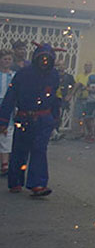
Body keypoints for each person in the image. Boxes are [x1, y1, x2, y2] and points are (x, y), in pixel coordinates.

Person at [0, 43, 61, 196]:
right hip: (23, 117)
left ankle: (38, 184)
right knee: (20, 150)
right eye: (42, 58)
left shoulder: (54, 75)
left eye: (47, 59)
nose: (44, 62)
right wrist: (3, 121)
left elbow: (54, 97)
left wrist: (55, 118)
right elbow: (10, 97)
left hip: (43, 119)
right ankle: (15, 181)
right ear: (36, 57)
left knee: (39, 150)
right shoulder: (23, 73)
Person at [52, 58, 75, 140]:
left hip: (62, 99)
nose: (61, 67)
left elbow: (73, 86)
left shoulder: (68, 77)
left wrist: (70, 95)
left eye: (63, 65)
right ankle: (53, 133)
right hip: (53, 98)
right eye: (59, 65)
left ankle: (56, 132)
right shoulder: (54, 74)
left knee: (59, 115)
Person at [0, 50, 14, 176]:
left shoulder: (14, 75)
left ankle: (5, 163)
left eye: (9, 59)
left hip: (8, 107)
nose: (7, 61)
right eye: (5, 59)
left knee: (6, 133)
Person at [72, 62, 92, 139]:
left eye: (89, 66)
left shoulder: (92, 76)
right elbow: (75, 84)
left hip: (88, 98)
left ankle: (89, 132)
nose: (87, 68)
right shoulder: (80, 75)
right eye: (86, 66)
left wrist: (84, 86)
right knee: (78, 116)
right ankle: (81, 132)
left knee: (87, 117)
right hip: (79, 98)